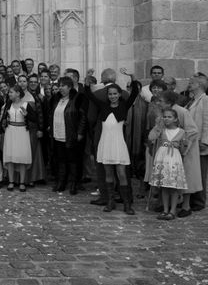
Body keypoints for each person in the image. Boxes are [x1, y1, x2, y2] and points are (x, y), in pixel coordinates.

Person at [84, 68, 140, 215]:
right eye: (110, 94)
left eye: (115, 94)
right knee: (108, 173)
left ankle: (127, 204)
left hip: (118, 143)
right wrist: (88, 78)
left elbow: (134, 93)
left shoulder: (123, 106)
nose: (113, 96)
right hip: (106, 143)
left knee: (121, 173)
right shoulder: (103, 106)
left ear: (119, 94)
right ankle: (110, 201)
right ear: (107, 96)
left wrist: (132, 76)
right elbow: (88, 94)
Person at [148, 108, 188, 220]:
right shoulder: (162, 130)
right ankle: (165, 210)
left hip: (174, 159)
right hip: (162, 158)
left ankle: (173, 210)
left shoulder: (181, 132)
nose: (166, 119)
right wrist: (157, 126)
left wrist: (180, 146)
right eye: (164, 116)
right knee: (164, 186)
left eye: (169, 117)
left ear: (175, 119)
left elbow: (185, 148)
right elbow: (151, 137)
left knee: (173, 186)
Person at [49, 77, 87, 194]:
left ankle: (73, 184)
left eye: (62, 85)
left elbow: (83, 117)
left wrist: (80, 132)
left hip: (70, 135)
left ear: (69, 87)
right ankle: (61, 182)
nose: (60, 88)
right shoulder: (56, 99)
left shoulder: (76, 99)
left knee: (72, 160)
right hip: (57, 134)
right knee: (61, 160)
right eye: (59, 85)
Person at [2, 85, 33, 192]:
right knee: (10, 156)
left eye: (11, 92)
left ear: (18, 93)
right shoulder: (8, 104)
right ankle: (11, 182)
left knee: (21, 156)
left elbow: (35, 118)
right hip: (10, 131)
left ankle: (22, 182)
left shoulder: (26, 104)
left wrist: (27, 115)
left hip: (22, 131)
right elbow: (2, 118)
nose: (9, 94)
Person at [187, 75, 208, 212]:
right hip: (192, 143)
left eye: (192, 82)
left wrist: (205, 141)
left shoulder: (205, 100)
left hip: (200, 142)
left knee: (200, 172)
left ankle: (199, 201)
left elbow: (207, 122)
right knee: (193, 171)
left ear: (199, 85)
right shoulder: (192, 101)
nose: (189, 84)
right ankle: (193, 198)